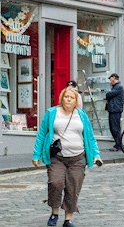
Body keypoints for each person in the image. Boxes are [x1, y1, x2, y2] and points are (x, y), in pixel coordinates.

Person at [32, 88, 103, 227]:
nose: (69, 99)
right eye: (66, 97)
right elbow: (41, 135)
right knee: (55, 183)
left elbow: (90, 137)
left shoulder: (81, 115)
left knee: (73, 187)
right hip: (57, 158)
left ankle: (68, 219)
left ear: (76, 101)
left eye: (72, 97)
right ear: (62, 98)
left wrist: (96, 155)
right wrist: (36, 155)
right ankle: (54, 213)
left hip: (78, 158)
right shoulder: (52, 113)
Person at [104, 73, 123, 152]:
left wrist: (108, 94)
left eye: (111, 79)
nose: (110, 81)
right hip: (113, 109)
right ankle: (119, 144)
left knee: (115, 128)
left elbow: (109, 94)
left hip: (115, 110)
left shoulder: (119, 87)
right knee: (113, 128)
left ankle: (118, 145)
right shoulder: (115, 87)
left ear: (114, 78)